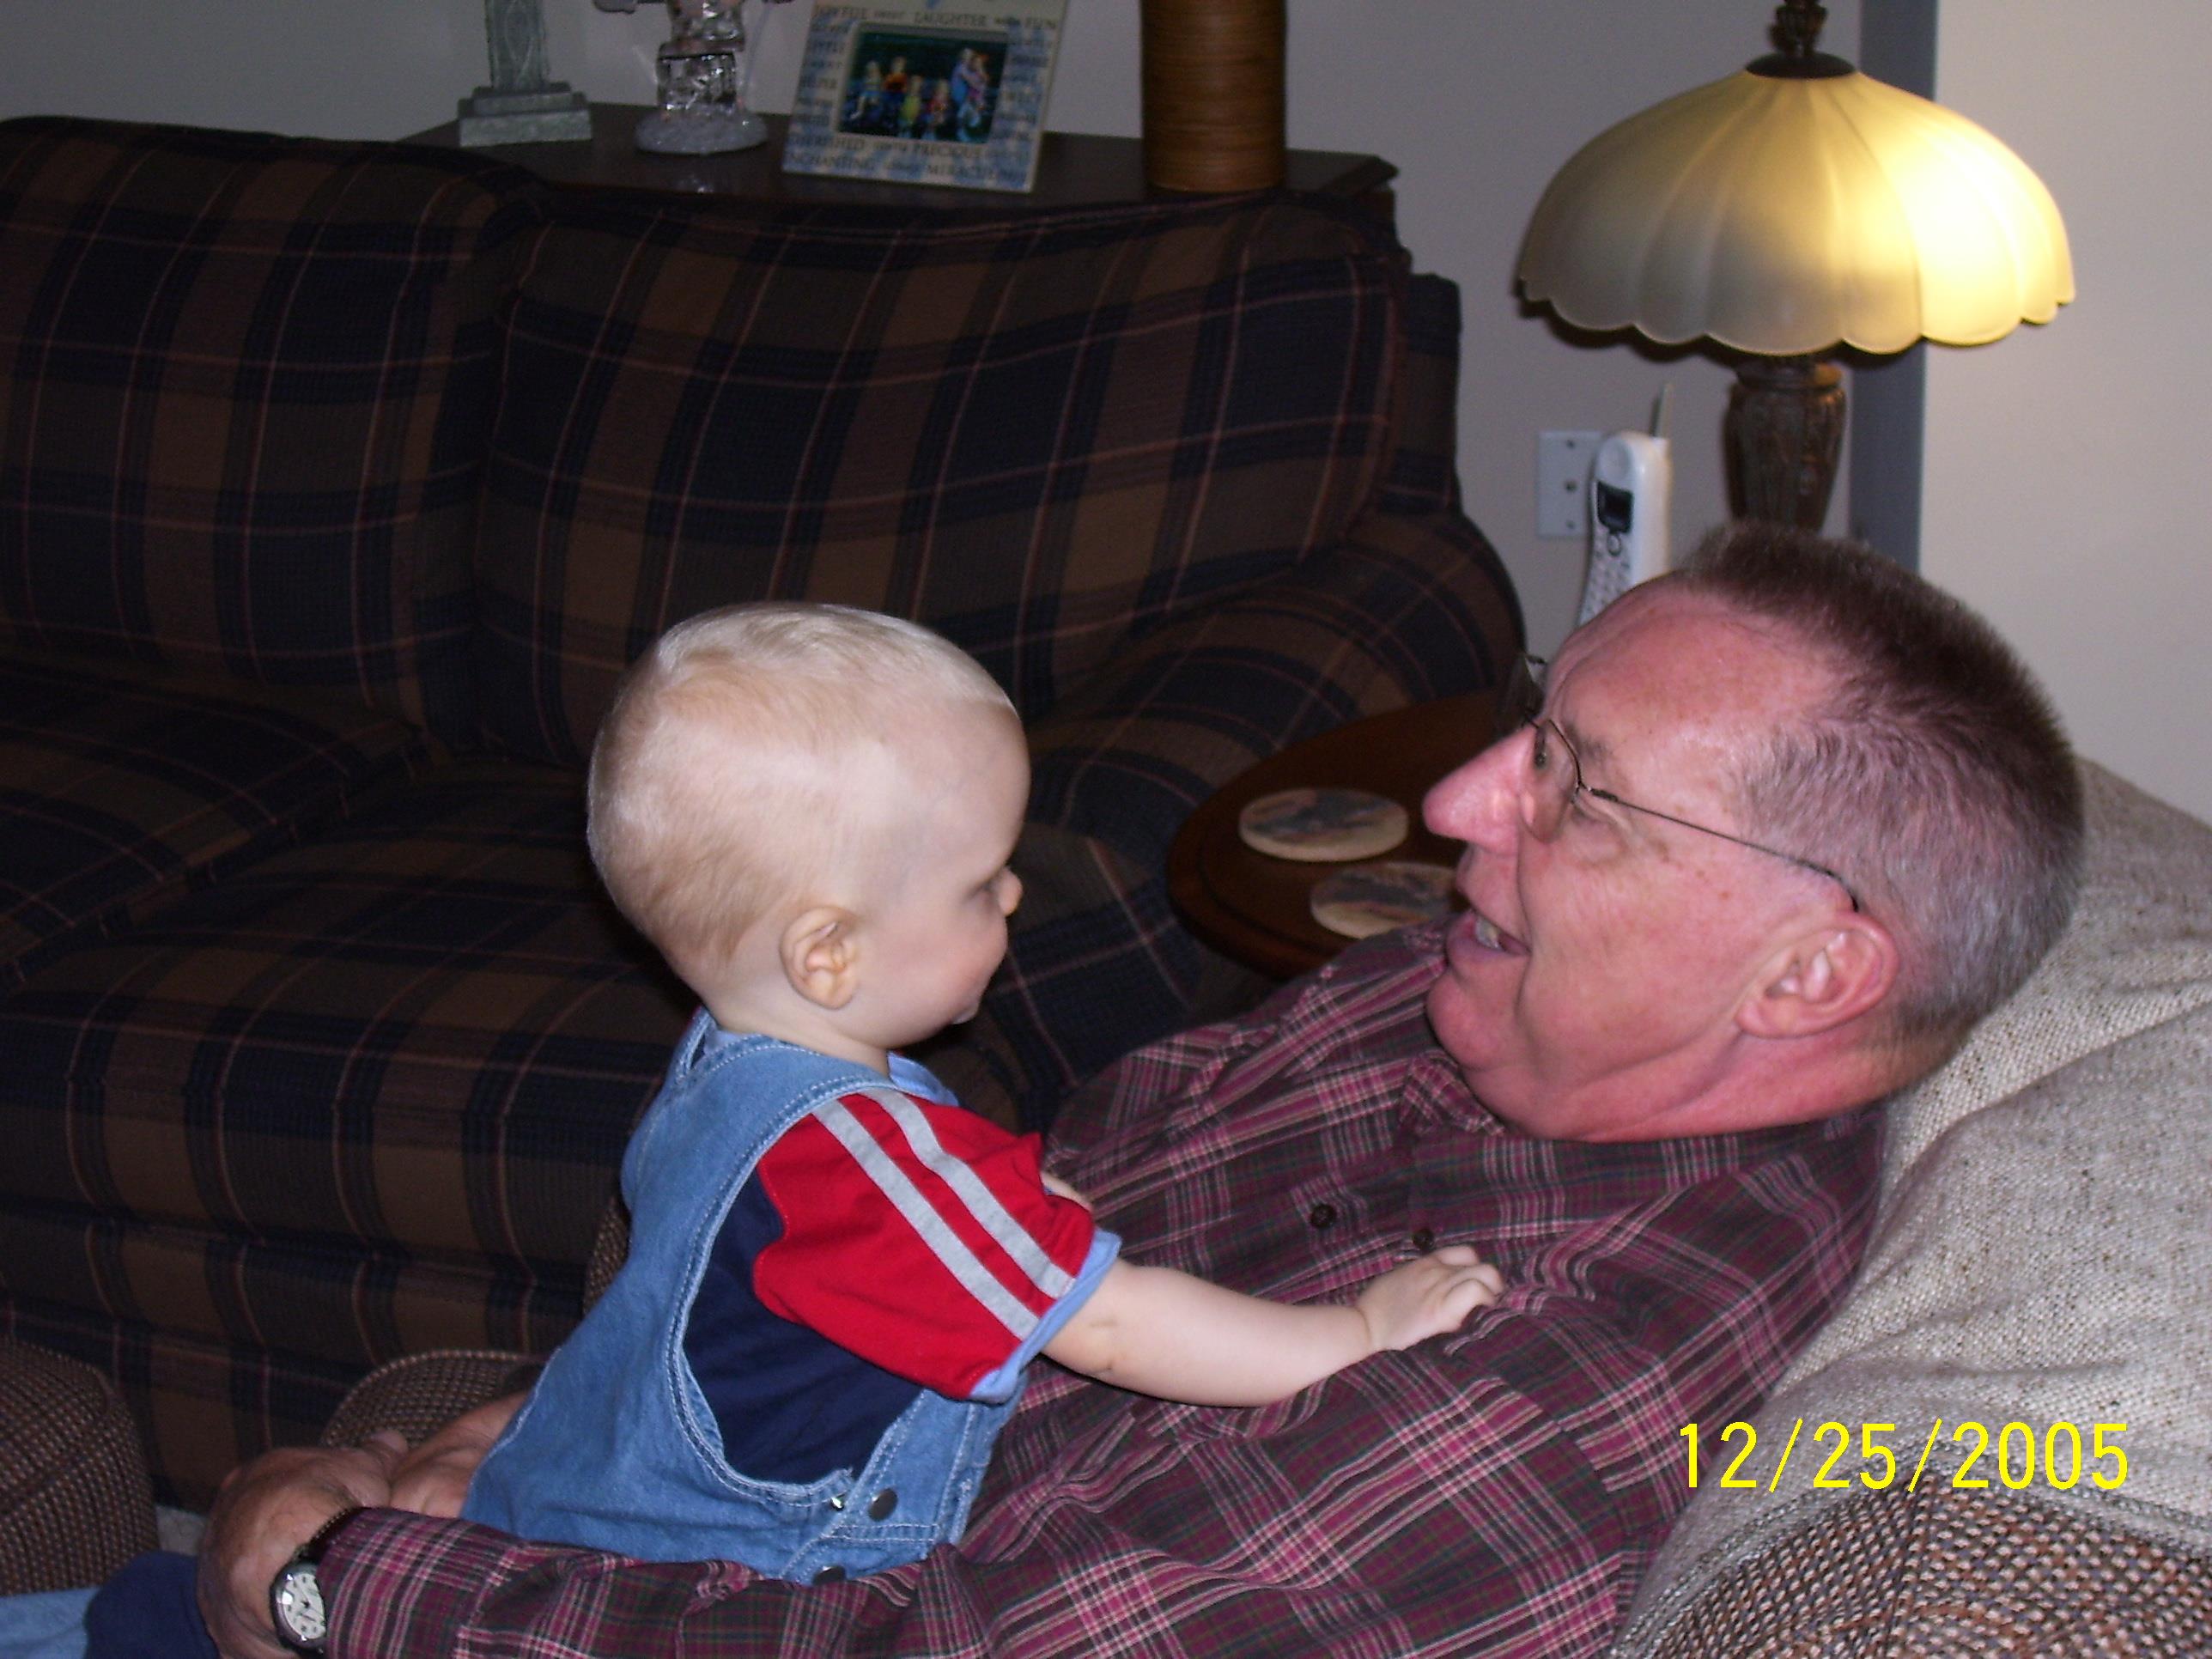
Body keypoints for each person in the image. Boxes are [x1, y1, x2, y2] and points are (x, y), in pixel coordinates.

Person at [167, 526, 2081, 1657]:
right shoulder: (1428, 1000)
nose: (1453, 804)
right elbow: (966, 1243)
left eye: (1575, 788)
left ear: (1814, 971)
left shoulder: (1582, 1377)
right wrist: (545, 1431)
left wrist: (357, 1578)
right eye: (1525, 725)